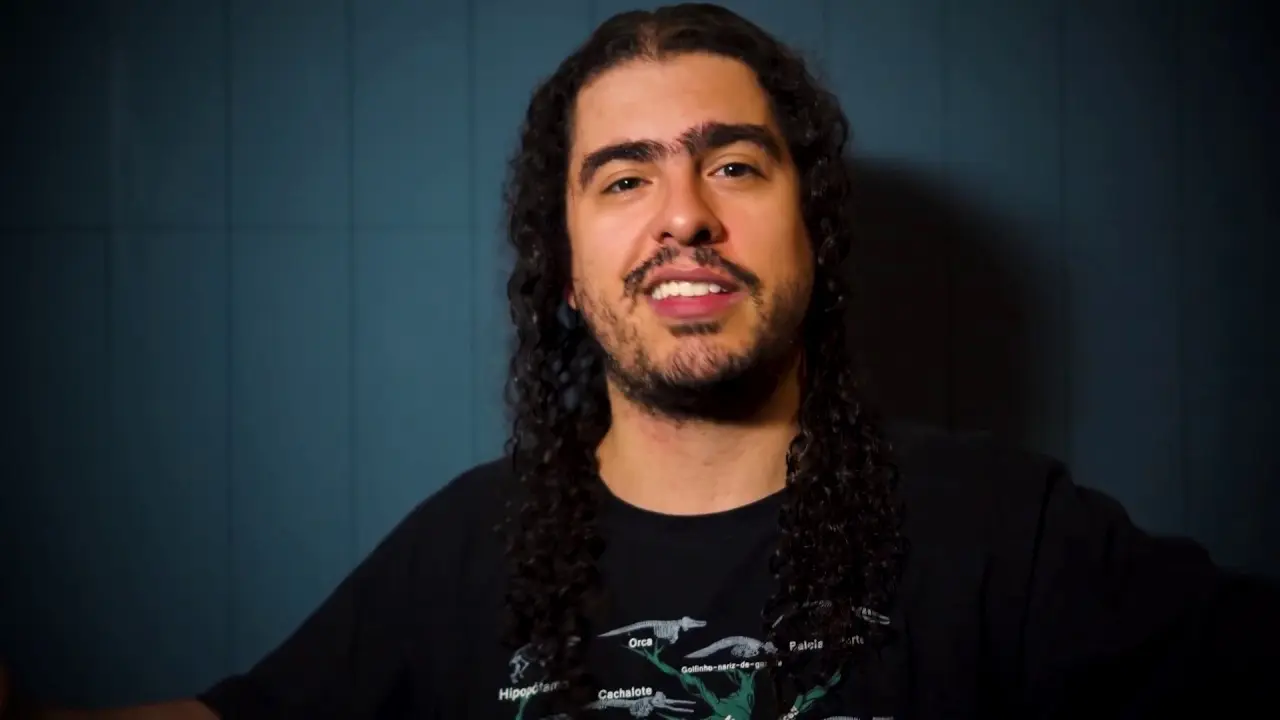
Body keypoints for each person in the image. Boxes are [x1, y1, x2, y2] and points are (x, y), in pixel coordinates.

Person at [3, 4, 1277, 719]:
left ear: (811, 236)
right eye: (623, 179)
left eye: (733, 164)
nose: (683, 216)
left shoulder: (1002, 528)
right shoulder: (469, 548)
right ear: (565, 270)